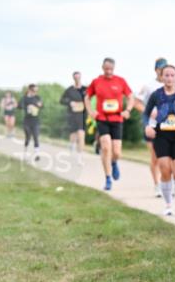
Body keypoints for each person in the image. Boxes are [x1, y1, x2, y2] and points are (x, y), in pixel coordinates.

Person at [144, 65, 175, 216]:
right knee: (164, 168)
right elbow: (146, 113)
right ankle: (168, 204)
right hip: (161, 135)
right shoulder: (156, 95)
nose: (169, 78)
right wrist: (147, 127)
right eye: (167, 75)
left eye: (172, 75)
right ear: (162, 77)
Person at [85, 58, 134, 191]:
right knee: (106, 147)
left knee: (117, 152)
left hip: (117, 119)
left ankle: (114, 162)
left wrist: (128, 110)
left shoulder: (120, 81)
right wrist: (90, 111)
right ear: (102, 67)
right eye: (106, 69)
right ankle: (107, 178)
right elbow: (87, 97)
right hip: (102, 118)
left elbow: (130, 96)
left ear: (114, 68)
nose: (108, 71)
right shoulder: (96, 82)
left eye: (110, 69)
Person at [136, 58, 167, 198]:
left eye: (165, 68)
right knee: (156, 157)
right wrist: (148, 112)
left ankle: (167, 183)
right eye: (160, 68)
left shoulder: (173, 84)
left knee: (167, 157)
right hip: (151, 125)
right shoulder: (148, 86)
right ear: (156, 70)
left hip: (169, 126)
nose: (163, 71)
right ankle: (157, 185)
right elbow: (137, 102)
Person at [60, 72, 88, 157]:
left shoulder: (85, 89)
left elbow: (91, 99)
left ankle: (80, 156)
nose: (77, 79)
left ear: (80, 78)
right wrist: (70, 102)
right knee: (73, 135)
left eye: (78, 77)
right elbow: (61, 100)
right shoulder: (69, 90)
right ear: (73, 78)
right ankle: (71, 146)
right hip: (72, 115)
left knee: (81, 134)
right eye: (75, 78)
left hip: (82, 115)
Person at [20, 84, 43, 160]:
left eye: (36, 91)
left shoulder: (37, 97)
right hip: (27, 120)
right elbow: (20, 106)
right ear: (29, 90)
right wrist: (27, 107)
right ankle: (25, 153)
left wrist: (37, 105)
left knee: (36, 136)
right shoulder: (25, 98)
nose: (35, 92)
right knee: (28, 137)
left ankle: (37, 154)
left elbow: (41, 105)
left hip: (35, 120)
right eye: (34, 90)